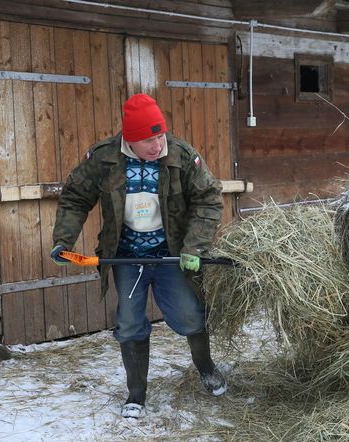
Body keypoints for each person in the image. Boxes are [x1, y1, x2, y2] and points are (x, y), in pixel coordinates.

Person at [50, 93, 226, 418]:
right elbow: (75, 197)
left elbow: (209, 199)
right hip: (127, 255)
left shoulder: (181, 155)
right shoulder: (104, 159)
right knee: (129, 323)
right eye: (148, 139)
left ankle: (206, 367)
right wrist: (63, 240)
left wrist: (195, 247)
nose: (158, 145)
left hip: (171, 253)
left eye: (160, 135)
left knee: (191, 315)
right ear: (129, 138)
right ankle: (136, 394)